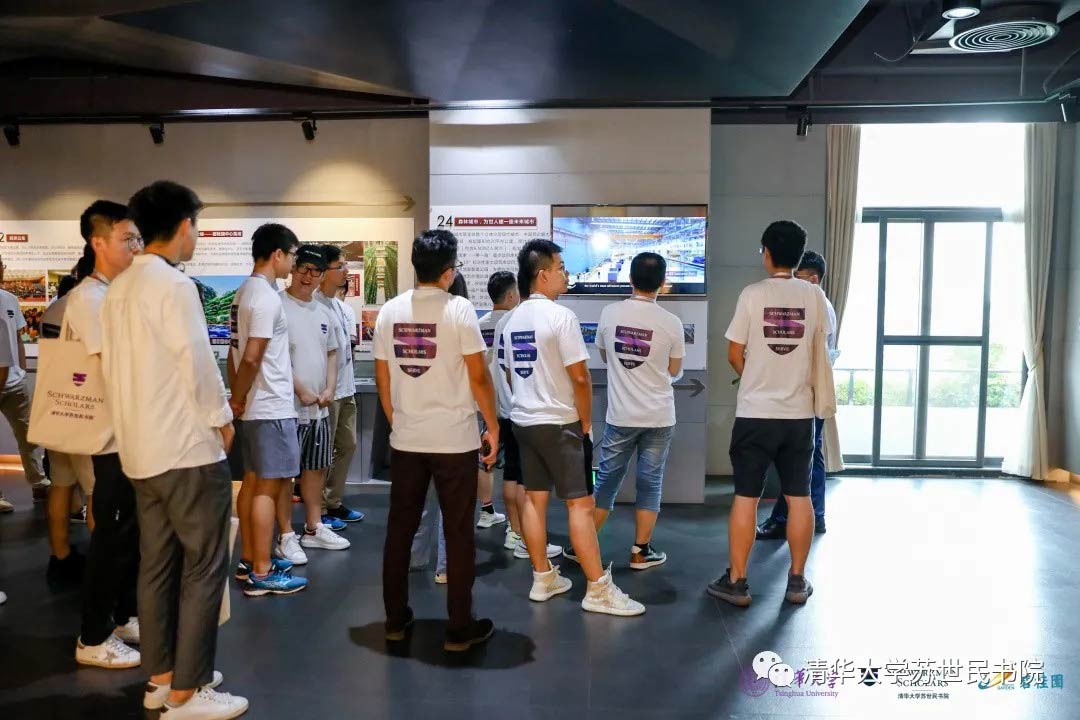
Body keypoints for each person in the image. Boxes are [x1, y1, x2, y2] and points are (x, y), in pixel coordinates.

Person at [101, 180, 246, 718]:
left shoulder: (118, 287)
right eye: (197, 226)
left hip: (140, 450)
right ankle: (189, 690)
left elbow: (111, 372)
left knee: (156, 566)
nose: (197, 236)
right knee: (204, 567)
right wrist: (222, 420)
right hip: (186, 449)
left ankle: (161, 678)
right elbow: (197, 362)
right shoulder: (175, 286)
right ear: (185, 225)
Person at [502, 239, 643, 617]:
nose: (566, 274)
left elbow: (509, 373)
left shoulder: (512, 319)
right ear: (542, 275)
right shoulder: (560, 317)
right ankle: (598, 589)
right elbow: (580, 378)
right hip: (560, 424)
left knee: (534, 500)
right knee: (581, 505)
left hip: (523, 421)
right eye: (561, 268)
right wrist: (586, 423)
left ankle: (542, 577)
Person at [374, 229, 499, 652]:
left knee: (400, 529)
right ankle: (459, 627)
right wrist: (493, 425)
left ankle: (395, 619)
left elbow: (384, 380)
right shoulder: (459, 310)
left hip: (407, 440)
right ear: (448, 272)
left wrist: (401, 421)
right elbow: (478, 377)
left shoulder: (389, 311)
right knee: (459, 532)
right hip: (454, 441)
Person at [707, 220, 829, 608]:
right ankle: (797, 581)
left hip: (755, 414)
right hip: (799, 416)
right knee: (799, 496)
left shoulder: (752, 294)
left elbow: (733, 353)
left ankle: (737, 581)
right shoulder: (815, 297)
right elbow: (821, 348)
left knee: (746, 497)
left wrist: (756, 378)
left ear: (767, 253)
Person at [62, 201, 144, 669]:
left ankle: (123, 616)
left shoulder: (117, 293)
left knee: (129, 532)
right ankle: (92, 637)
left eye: (137, 238)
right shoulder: (89, 298)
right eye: (127, 239)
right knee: (111, 535)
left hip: (130, 434)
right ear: (98, 242)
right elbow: (116, 364)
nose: (136, 247)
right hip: (109, 436)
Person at [584, 252, 684, 570]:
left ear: (630, 279)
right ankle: (640, 552)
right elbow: (674, 370)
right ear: (663, 283)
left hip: (621, 416)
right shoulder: (671, 323)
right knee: (650, 483)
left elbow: (604, 355)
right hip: (659, 417)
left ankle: (582, 546)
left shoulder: (610, 313)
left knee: (606, 482)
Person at [228, 223, 307, 597]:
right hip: (270, 405)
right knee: (267, 488)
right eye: (292, 255)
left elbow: (234, 353)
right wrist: (238, 397)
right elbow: (251, 356)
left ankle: (250, 559)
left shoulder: (243, 292)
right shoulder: (266, 297)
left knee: (253, 480)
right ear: (277, 254)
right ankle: (261, 571)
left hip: (256, 406)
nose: (293, 263)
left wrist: (239, 397)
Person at [756, 249, 837, 540]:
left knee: (798, 460)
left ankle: (784, 519)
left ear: (813, 279)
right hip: (811, 391)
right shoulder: (818, 304)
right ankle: (815, 515)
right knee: (809, 457)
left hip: (807, 393)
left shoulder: (816, 306)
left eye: (798, 278)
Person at [280, 245, 349, 557]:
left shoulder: (323, 311)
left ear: (322, 276)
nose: (308, 276)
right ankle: (285, 535)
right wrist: (300, 390)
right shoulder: (279, 305)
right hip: (287, 408)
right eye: (303, 269)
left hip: (318, 408)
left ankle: (313, 527)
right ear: (294, 268)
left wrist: (330, 387)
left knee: (316, 468)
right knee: (285, 475)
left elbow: (332, 352)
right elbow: (275, 357)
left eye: (315, 271)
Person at [41, 267, 92, 588]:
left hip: (55, 406)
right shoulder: (93, 306)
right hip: (87, 412)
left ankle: (59, 557)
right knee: (97, 491)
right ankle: (103, 570)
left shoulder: (55, 307)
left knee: (60, 484)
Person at [315, 244, 365, 528]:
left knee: (348, 445)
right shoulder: (314, 305)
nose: (347, 270)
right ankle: (319, 509)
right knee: (322, 451)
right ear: (324, 272)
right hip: (326, 392)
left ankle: (333, 501)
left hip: (346, 388)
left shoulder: (340, 307)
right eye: (341, 266)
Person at [0, 253, 50, 513]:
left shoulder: (10, 299)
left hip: (14, 382)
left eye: (1, 265)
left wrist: (20, 368)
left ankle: (39, 483)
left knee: (28, 434)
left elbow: (18, 338)